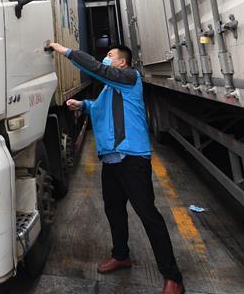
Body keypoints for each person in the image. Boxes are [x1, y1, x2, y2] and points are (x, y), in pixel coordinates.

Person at [48, 41, 184, 294]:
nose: (106, 59)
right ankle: (121, 256)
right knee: (114, 210)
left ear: (122, 62)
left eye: (110, 56)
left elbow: (97, 68)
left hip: (133, 159)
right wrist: (82, 106)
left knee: (148, 214)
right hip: (111, 160)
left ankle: (172, 276)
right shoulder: (109, 88)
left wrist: (66, 52)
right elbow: (99, 108)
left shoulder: (130, 78)